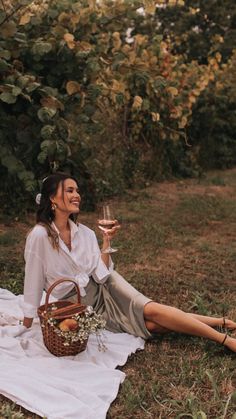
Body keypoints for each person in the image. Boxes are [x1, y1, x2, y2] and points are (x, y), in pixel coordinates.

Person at [22, 172, 236, 353]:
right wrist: (27, 323)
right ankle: (219, 322)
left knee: (150, 310)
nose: (76, 195)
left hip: (106, 286)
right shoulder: (40, 236)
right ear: (52, 198)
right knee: (150, 325)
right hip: (79, 306)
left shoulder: (85, 233)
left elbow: (102, 274)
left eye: (77, 190)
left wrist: (107, 241)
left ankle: (224, 340)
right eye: (69, 190)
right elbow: (33, 280)